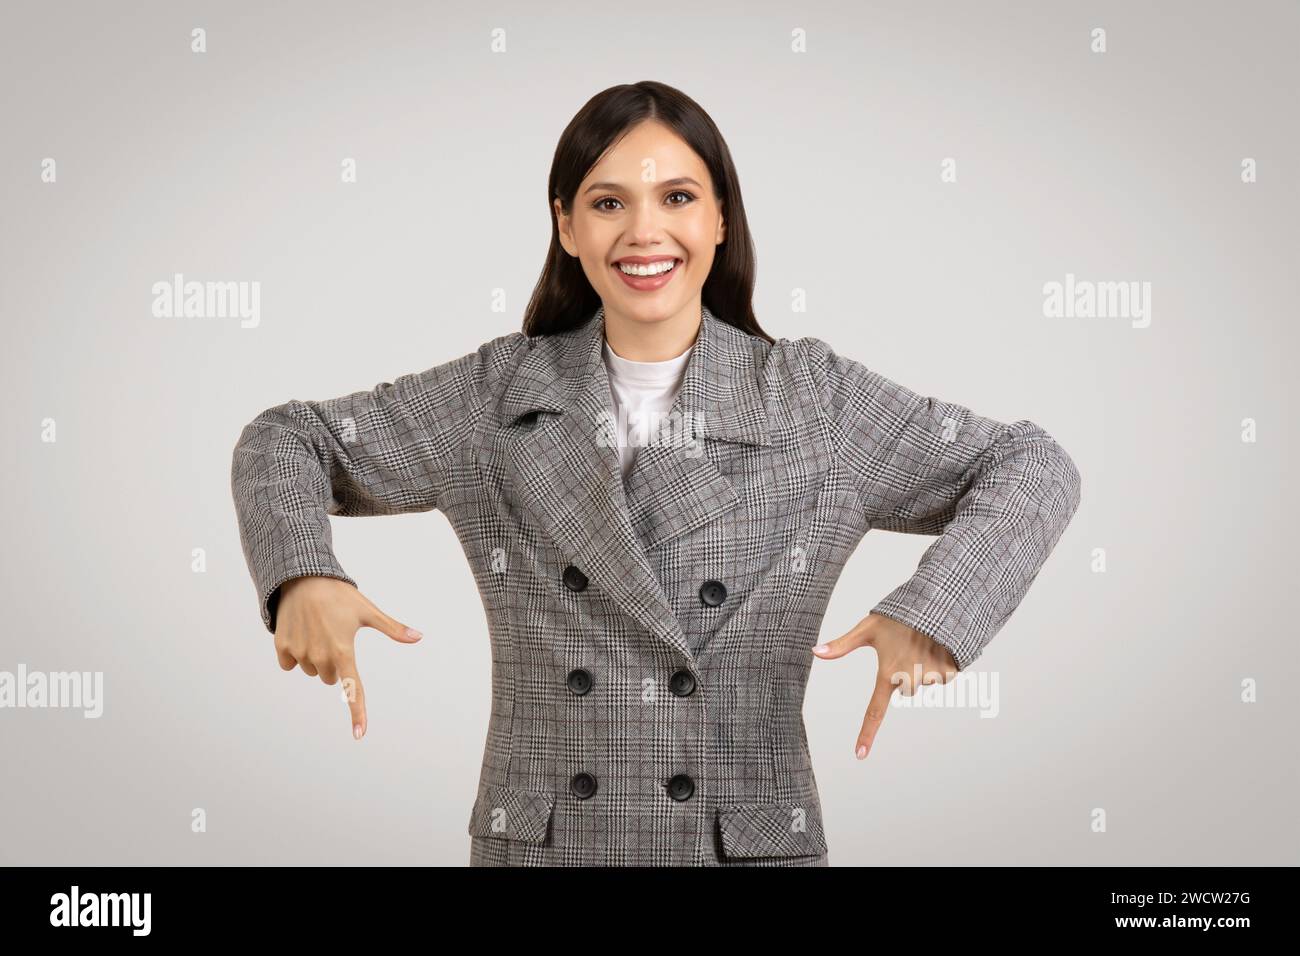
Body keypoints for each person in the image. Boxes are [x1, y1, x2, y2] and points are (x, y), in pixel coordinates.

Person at [231, 80, 1082, 866]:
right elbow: (287, 439)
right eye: (609, 203)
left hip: (739, 848)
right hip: (545, 847)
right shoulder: (496, 395)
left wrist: (933, 614)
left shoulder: (812, 399)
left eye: (677, 197)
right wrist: (303, 573)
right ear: (567, 227)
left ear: (720, 219)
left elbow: (1033, 464)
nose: (644, 233)